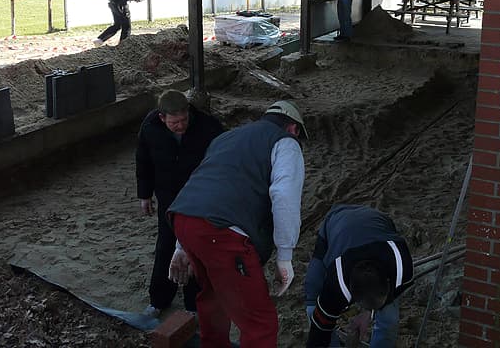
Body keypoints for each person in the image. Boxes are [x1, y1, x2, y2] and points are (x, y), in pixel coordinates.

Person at [167, 100, 307, 348]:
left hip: (184, 219)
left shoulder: (227, 138)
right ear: (293, 129)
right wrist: (285, 256)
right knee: (259, 322)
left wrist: (181, 245)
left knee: (212, 299)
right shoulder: (285, 143)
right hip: (222, 233)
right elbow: (284, 194)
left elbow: (205, 182)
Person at [136, 89, 225, 317]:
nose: (181, 126)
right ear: (162, 117)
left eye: (184, 120)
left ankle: (193, 305)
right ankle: (159, 299)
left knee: (195, 248)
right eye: (174, 122)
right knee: (166, 247)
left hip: (199, 198)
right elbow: (143, 161)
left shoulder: (208, 127)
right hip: (168, 199)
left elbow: (222, 161)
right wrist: (144, 194)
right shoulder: (149, 128)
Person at [305, 204, 414, 348]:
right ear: (350, 295)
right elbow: (317, 338)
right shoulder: (335, 287)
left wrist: (367, 313)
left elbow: (385, 300)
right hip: (336, 223)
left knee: (389, 318)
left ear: (389, 282)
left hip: (375, 220)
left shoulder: (402, 267)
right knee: (313, 299)